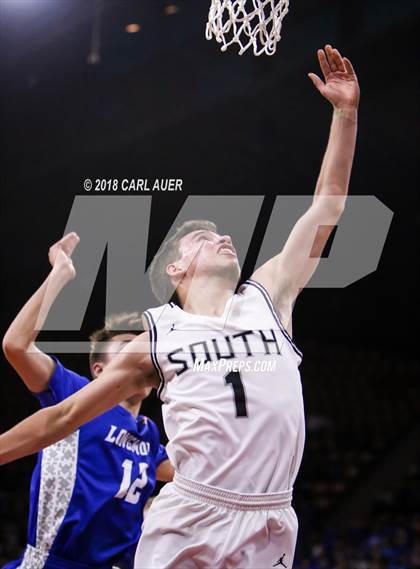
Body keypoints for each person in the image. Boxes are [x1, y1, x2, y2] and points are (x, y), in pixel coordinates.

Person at [0, 45, 360, 568]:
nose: (225, 238)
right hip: (191, 513)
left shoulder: (269, 296)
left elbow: (328, 204)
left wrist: (345, 114)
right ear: (175, 268)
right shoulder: (157, 338)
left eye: (223, 234)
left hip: (271, 515)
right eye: (205, 238)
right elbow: (64, 415)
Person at [1, 233, 174, 569]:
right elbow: (16, 346)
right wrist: (59, 274)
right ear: (99, 369)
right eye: (125, 345)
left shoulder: (150, 434)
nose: (139, 354)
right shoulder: (75, 393)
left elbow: (192, 476)